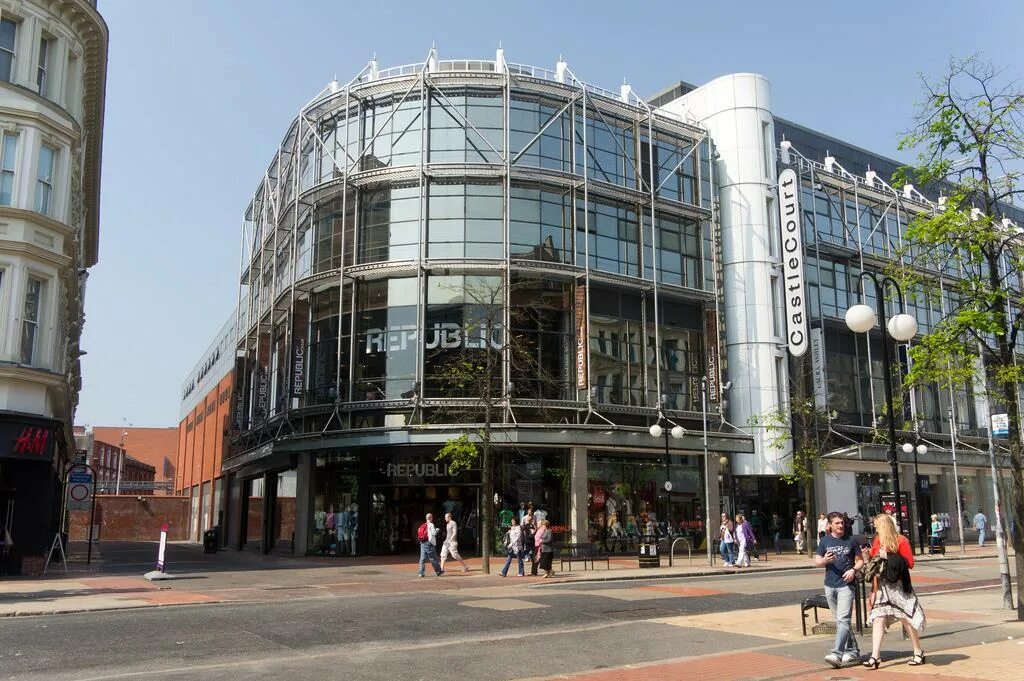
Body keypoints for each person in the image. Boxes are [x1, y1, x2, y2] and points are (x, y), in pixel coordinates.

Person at [862, 512, 927, 669]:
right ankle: (875, 656)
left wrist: (889, 556)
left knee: (906, 618)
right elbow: (875, 564)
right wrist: (867, 557)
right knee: (878, 618)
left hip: (898, 586)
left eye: (877, 526)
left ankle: (918, 651)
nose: (875, 530)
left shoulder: (901, 540)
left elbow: (909, 563)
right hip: (883, 587)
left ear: (883, 526)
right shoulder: (878, 541)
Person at [814, 511, 864, 668]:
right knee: (841, 621)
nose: (841, 525)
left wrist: (853, 570)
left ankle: (836, 653)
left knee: (843, 620)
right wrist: (824, 560)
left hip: (846, 586)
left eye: (842, 523)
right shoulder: (824, 541)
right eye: (837, 523)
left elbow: (861, 561)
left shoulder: (851, 540)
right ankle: (853, 650)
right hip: (830, 585)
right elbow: (817, 562)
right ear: (830, 525)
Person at [417, 513, 443, 578]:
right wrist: (437, 530)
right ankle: (438, 571)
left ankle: (421, 573)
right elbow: (434, 533)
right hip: (429, 543)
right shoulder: (431, 524)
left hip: (422, 542)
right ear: (431, 518)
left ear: (426, 518)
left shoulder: (423, 525)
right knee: (433, 558)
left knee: (422, 559)